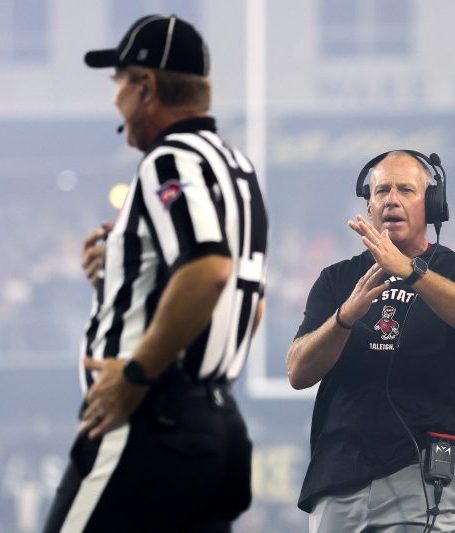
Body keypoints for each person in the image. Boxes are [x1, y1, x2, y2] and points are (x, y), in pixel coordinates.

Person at [43, 14, 268, 533]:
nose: (115, 98)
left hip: (150, 423)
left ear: (146, 86)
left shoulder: (170, 161)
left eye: (119, 81)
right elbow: (246, 305)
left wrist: (137, 374)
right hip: (216, 429)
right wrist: (126, 279)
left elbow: (209, 270)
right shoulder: (237, 167)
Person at [287, 150, 455, 532]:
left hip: (420, 471)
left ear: (431, 204)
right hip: (338, 475)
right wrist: (343, 318)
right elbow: (298, 372)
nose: (392, 199)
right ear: (368, 206)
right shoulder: (337, 279)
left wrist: (410, 271)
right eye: (382, 190)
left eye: (406, 189)